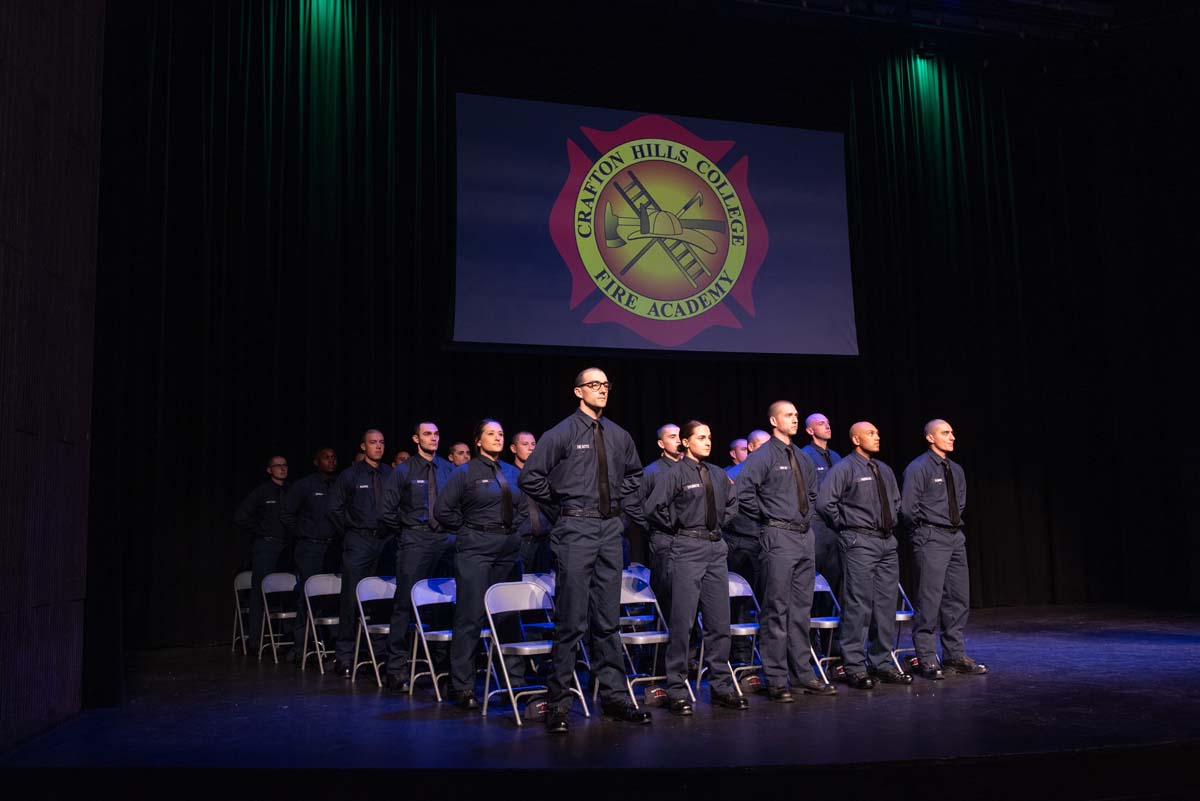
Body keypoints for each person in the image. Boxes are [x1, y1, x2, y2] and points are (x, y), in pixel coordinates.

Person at [519, 367, 649, 733]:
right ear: (578, 392)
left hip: (609, 530)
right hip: (575, 528)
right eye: (594, 385)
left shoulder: (619, 435)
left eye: (606, 384)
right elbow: (531, 477)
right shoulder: (561, 433)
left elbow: (635, 475)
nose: (602, 390)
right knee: (571, 621)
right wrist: (561, 507)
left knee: (608, 622)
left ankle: (614, 698)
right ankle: (559, 705)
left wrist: (619, 508)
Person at [645, 420, 748, 714]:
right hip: (686, 548)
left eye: (710, 436)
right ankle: (677, 688)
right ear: (686, 442)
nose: (707, 441)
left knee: (719, 622)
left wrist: (717, 525)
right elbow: (653, 508)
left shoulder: (716, 473)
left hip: (716, 548)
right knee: (683, 622)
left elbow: (732, 504)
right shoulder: (675, 473)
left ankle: (721, 687)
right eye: (701, 437)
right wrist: (679, 527)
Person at [735, 402, 834, 701]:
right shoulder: (763, 455)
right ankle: (776, 678)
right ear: (773, 420)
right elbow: (743, 492)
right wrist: (768, 515)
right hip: (777, 535)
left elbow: (813, 493)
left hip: (804, 537)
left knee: (801, 610)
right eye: (789, 415)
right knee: (776, 609)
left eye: (796, 415)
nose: (794, 419)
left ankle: (803, 674)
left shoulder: (802, 457)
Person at [434, 419, 529, 709]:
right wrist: (468, 530)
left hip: (507, 551)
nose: (498, 438)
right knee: (470, 616)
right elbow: (442, 510)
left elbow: (523, 507)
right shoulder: (464, 473)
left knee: (508, 616)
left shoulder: (511, 472)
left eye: (501, 434)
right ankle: (462, 685)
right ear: (478, 440)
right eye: (491, 434)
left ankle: (515, 682)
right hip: (476, 550)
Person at [816, 422, 911, 688]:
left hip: (886, 543)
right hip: (859, 541)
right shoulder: (844, 468)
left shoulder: (884, 469)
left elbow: (895, 502)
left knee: (885, 605)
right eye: (871, 433)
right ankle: (855, 665)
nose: (877, 437)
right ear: (856, 439)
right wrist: (846, 526)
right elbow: (825, 504)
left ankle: (880, 662)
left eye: (878, 433)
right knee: (858, 604)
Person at [900, 419, 988, 680]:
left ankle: (955, 655)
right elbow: (907, 508)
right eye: (945, 433)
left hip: (954, 537)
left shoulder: (956, 469)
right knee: (930, 599)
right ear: (930, 438)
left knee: (958, 598)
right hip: (930, 536)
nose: (952, 437)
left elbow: (959, 503)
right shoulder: (919, 467)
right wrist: (923, 532)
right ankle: (927, 657)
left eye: (952, 433)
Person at [379, 421, 454, 691]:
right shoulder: (404, 470)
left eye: (436, 434)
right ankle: (396, 668)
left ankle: (442, 665)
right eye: (427, 434)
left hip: (446, 539)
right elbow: (386, 511)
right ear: (415, 438)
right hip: (416, 538)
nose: (433, 438)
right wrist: (408, 532)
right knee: (405, 602)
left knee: (446, 600)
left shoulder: (447, 468)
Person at [327, 430, 391, 677]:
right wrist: (352, 531)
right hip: (359, 541)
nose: (378, 446)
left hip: (385, 542)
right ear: (363, 446)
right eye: (373, 443)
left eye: (382, 442)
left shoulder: (390, 474)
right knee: (351, 599)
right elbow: (334, 509)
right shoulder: (351, 474)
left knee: (381, 599)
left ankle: (380, 654)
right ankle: (344, 655)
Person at [280, 446, 338, 663]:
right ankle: (301, 646)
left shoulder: (339, 484)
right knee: (308, 595)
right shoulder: (304, 486)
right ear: (316, 461)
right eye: (326, 457)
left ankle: (330, 645)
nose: (331, 461)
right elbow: (286, 515)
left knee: (332, 597)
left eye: (333, 458)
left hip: (333, 548)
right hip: (310, 549)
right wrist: (305, 533)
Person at [800, 412, 845, 678]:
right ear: (809, 430)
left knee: (836, 592)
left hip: (836, 530)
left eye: (828, 422)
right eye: (820, 423)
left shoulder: (837, 457)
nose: (827, 425)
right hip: (815, 527)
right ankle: (810, 653)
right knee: (810, 592)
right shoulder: (806, 455)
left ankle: (834, 653)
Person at [233, 455, 290, 655]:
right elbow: (240, 517)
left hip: (287, 547)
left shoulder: (291, 491)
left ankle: (288, 640)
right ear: (269, 470)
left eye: (285, 465)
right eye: (278, 466)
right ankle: (255, 641)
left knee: (289, 591)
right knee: (260, 592)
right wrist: (261, 530)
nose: (282, 469)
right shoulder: (261, 492)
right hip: (266, 547)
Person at [510, 431, 554, 574]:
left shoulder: (545, 475)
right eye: (525, 444)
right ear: (513, 448)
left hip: (544, 542)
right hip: (521, 541)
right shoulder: (509, 476)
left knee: (544, 587)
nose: (530, 448)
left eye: (533, 444)